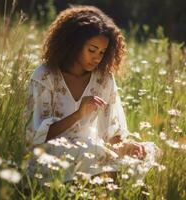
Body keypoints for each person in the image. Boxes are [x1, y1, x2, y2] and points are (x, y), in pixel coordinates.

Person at [25, 5, 159, 183]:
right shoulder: (45, 76)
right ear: (74, 45)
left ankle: (111, 189)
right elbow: (36, 135)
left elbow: (112, 131)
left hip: (92, 149)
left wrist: (125, 146)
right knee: (92, 151)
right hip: (51, 152)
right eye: (92, 50)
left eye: (102, 52)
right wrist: (78, 114)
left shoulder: (104, 79)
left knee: (148, 150)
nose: (97, 58)